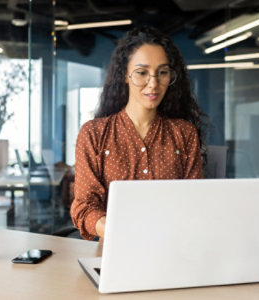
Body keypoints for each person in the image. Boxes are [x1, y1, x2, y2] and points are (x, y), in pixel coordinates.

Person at [71, 26, 206, 240]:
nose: (153, 84)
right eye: (142, 73)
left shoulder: (184, 133)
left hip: (173, 249)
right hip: (114, 252)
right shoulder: (94, 134)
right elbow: (84, 207)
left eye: (162, 72)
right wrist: (122, 231)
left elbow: (195, 203)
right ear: (125, 74)